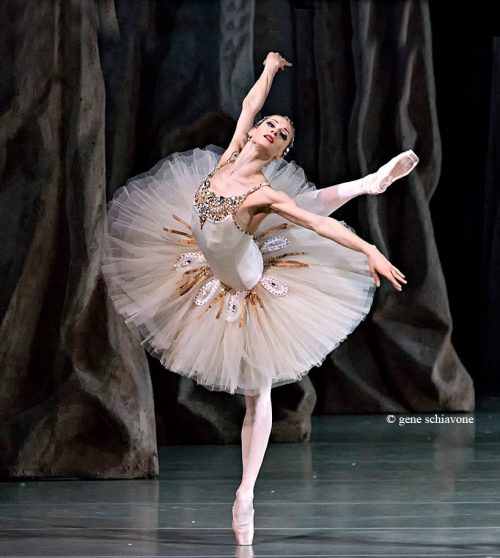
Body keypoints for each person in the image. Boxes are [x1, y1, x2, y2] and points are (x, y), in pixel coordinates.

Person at [101, 51, 419, 546]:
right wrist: (269, 69)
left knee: (261, 390)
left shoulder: (263, 191)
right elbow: (250, 103)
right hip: (206, 263)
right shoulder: (228, 155)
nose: (273, 130)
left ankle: (246, 493)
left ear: (280, 154)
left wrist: (369, 248)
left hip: (248, 282)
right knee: (287, 224)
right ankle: (369, 183)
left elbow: (318, 223)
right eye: (269, 125)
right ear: (252, 134)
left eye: (284, 135)